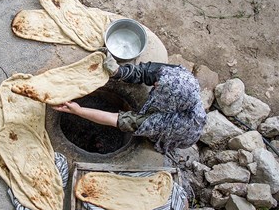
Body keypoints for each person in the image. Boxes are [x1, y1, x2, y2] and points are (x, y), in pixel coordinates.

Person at [51, 50, 207, 154]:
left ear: (169, 101)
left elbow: (118, 120)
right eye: (159, 82)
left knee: (150, 136)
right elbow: (147, 72)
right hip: (174, 105)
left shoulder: (167, 123)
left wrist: (79, 111)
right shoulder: (179, 77)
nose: (156, 84)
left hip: (180, 134)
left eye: (160, 88)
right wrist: (118, 71)